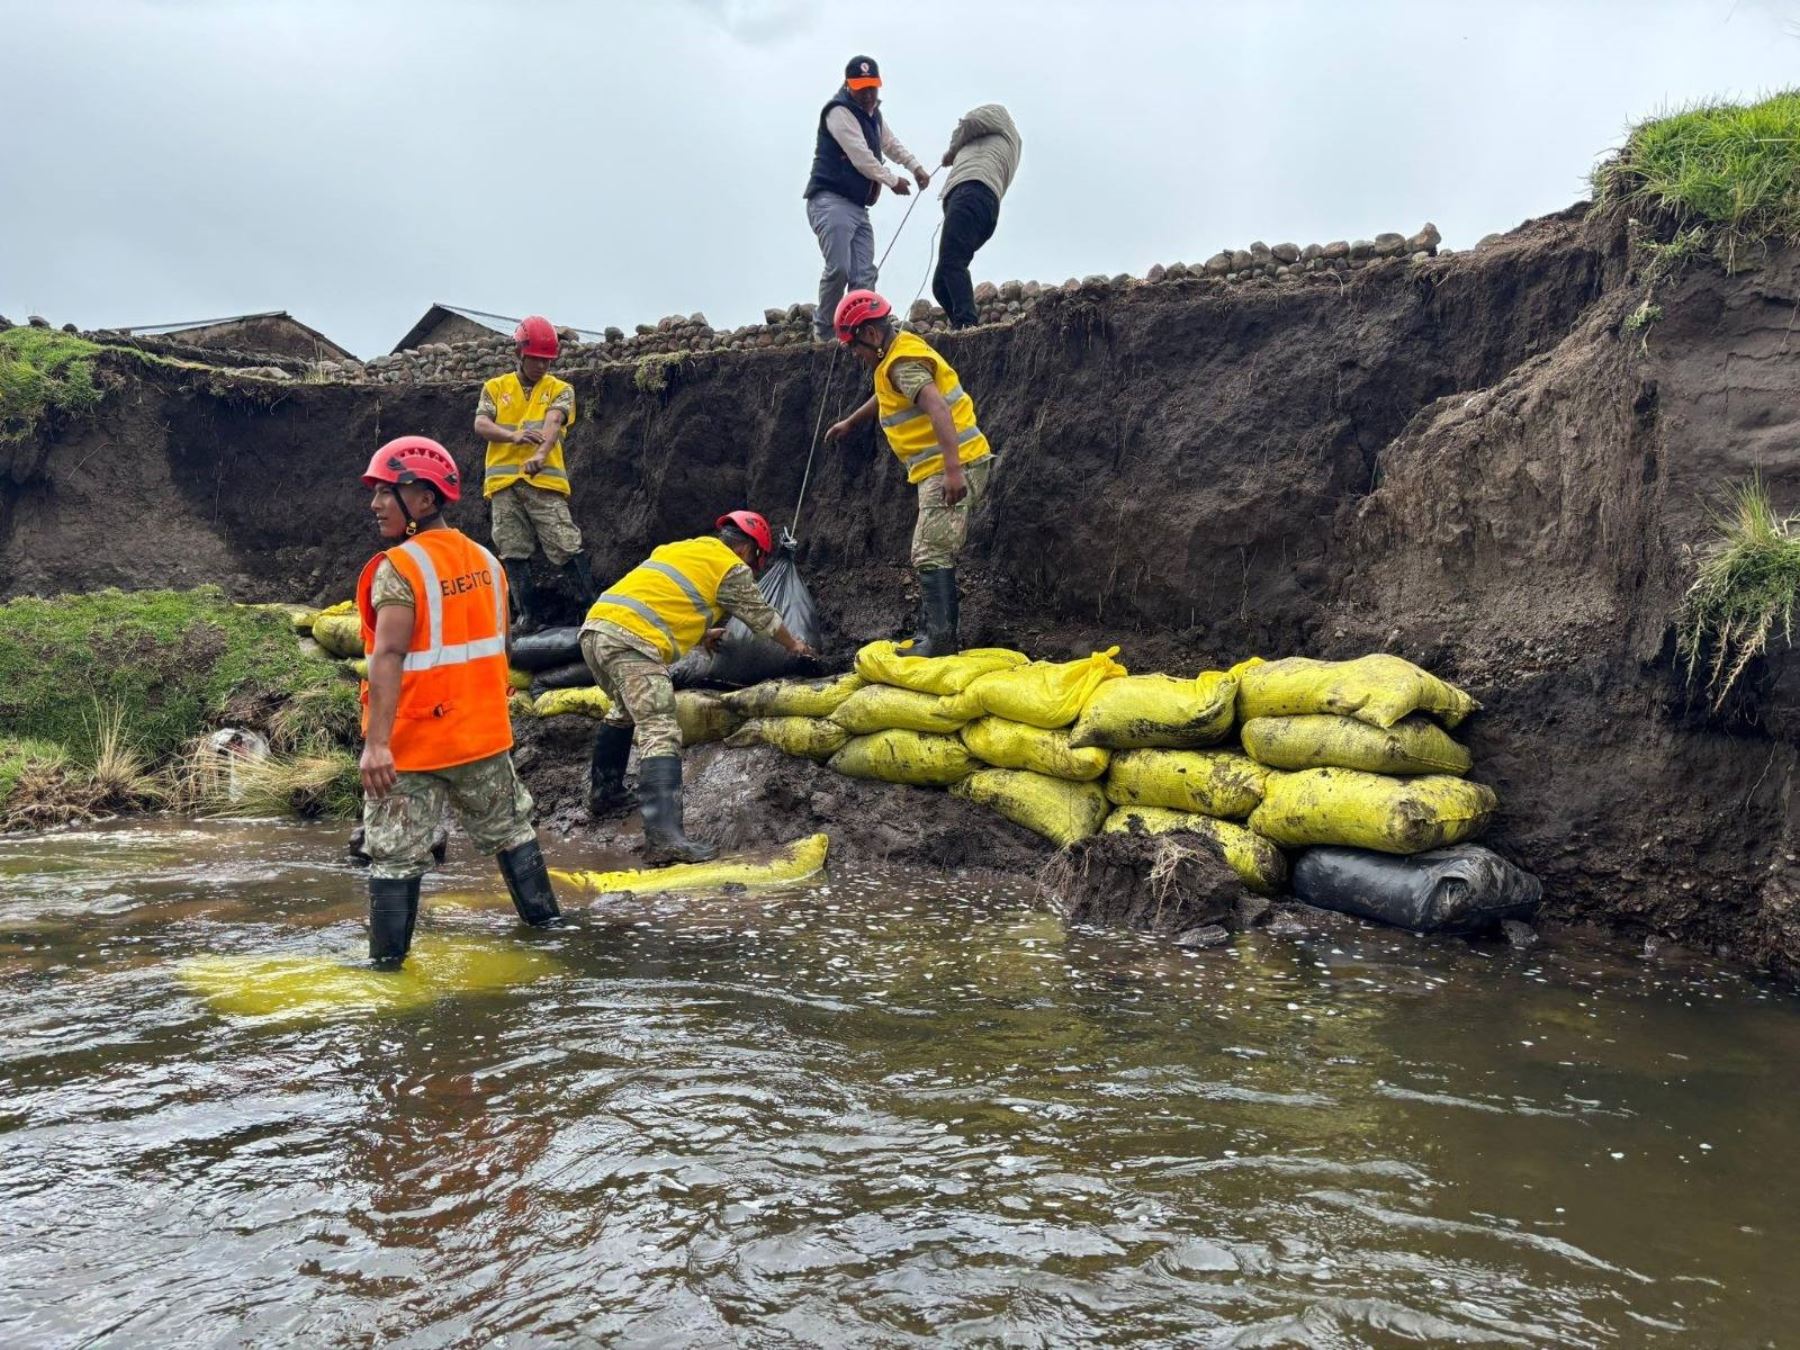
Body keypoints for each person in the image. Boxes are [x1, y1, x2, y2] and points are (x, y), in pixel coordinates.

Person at [356, 435, 561, 968]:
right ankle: (553, 940)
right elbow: (501, 646)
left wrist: (376, 744)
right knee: (513, 834)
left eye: (387, 491)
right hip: (483, 737)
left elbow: (390, 655)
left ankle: (387, 974)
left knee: (395, 858)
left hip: (414, 745)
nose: (375, 504)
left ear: (425, 500)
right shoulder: (489, 562)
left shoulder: (398, 567)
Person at [582, 511, 816, 864]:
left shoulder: (682, 549)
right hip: (632, 642)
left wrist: (701, 634)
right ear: (748, 549)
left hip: (596, 630)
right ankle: (664, 839)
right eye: (757, 559)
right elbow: (762, 617)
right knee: (660, 728)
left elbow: (663, 598)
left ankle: (606, 793)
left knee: (625, 710)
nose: (755, 568)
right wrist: (795, 645)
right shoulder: (730, 566)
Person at [823, 290, 994, 656]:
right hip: (944, 466)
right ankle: (934, 631)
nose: (855, 355)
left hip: (952, 465)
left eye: (855, 346)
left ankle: (942, 641)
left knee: (930, 551)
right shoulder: (895, 360)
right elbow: (888, 396)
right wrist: (852, 421)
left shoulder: (902, 364)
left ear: (870, 335)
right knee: (931, 549)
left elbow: (938, 409)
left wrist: (952, 471)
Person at [473, 315, 595, 635]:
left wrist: (541, 455)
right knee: (512, 547)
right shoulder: (495, 388)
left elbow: (554, 422)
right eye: (536, 359)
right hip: (503, 484)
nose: (542, 366)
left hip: (543, 482)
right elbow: (481, 424)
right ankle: (529, 617)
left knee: (564, 542)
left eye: (547, 360)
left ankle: (590, 610)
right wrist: (513, 437)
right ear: (520, 353)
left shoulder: (560, 390)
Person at [803, 55, 931, 344]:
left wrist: (915, 167)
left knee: (863, 275)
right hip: (830, 200)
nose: (869, 94)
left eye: (873, 87)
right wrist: (891, 179)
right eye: (863, 88)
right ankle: (824, 334)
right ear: (849, 86)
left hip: (858, 208)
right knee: (839, 269)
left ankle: (860, 334)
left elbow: (890, 143)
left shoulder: (874, 115)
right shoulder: (838, 113)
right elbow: (861, 156)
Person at [932, 104, 1022, 329]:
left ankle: (966, 325)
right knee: (941, 283)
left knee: (952, 263)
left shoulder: (1001, 117)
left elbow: (970, 122)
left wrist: (951, 152)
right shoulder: (1005, 142)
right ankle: (960, 326)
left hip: (971, 191)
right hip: (981, 202)